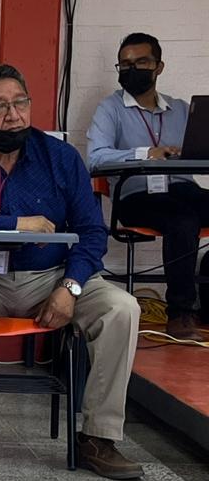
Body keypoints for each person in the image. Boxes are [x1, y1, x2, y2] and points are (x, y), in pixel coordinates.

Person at [0, 64, 142, 480]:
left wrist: (70, 288)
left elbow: (92, 231)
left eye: (20, 102)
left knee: (122, 308)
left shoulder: (60, 157)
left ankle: (99, 437)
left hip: (52, 275)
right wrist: (14, 224)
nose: (13, 115)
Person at [86, 32, 209, 341]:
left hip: (183, 190)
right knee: (183, 220)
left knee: (187, 210)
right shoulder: (110, 109)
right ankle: (179, 314)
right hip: (136, 196)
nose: (132, 69)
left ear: (159, 67)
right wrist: (146, 153)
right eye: (125, 64)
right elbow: (95, 157)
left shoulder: (181, 109)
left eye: (141, 62)